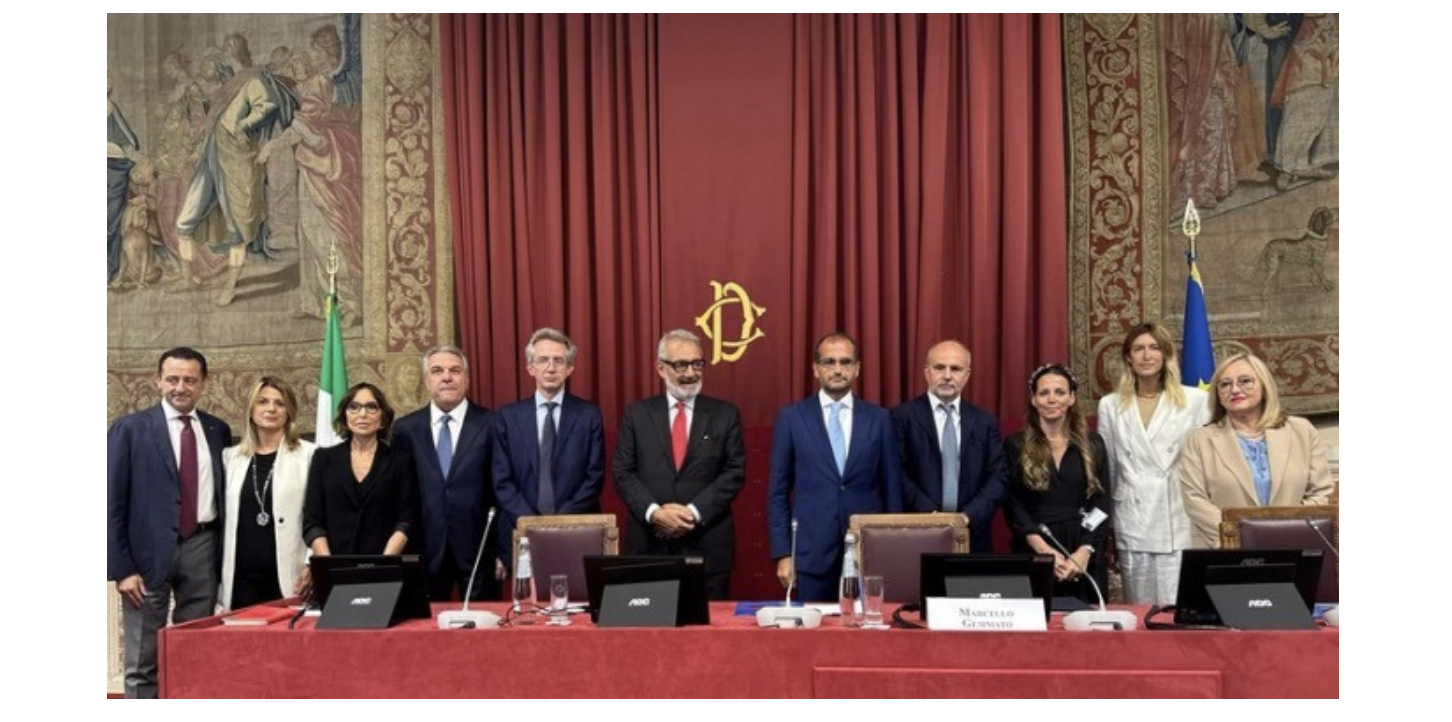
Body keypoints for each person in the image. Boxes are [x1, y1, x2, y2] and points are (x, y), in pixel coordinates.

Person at [108, 347, 231, 698]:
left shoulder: (217, 430)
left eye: (190, 380)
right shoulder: (130, 429)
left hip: (203, 548)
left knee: (193, 652)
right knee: (142, 659)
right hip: (146, 556)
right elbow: (110, 502)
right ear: (158, 380)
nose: (180, 387)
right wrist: (122, 570)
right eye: (173, 379)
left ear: (204, 382)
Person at [767, 332, 902, 601]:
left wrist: (893, 548)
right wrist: (783, 553)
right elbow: (777, 493)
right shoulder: (792, 418)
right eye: (829, 362)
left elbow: (892, 490)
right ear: (815, 369)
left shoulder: (879, 419)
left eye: (845, 362)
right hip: (811, 553)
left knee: (869, 626)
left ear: (857, 368)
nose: (838, 369)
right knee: (816, 628)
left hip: (868, 552)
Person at [614, 330, 747, 599]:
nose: (691, 373)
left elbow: (734, 472)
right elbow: (622, 472)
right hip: (648, 545)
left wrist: (692, 513)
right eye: (681, 365)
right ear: (660, 368)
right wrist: (655, 513)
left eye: (697, 364)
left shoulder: (725, 414)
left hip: (707, 545)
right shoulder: (637, 414)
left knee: (708, 626)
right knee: (648, 625)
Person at [1096, 323, 1211, 605]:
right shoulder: (1110, 405)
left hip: (1177, 515)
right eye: (1138, 349)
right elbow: (1109, 467)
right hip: (1133, 516)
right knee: (1140, 608)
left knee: (1179, 606)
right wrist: (1108, 521)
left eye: (1154, 348)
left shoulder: (1196, 400)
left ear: (1166, 354)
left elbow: (1204, 464)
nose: (1146, 356)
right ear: (1128, 358)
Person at [1177, 352, 1334, 548]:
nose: (1235, 389)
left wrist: (1286, 531)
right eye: (1225, 384)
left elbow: (1322, 493)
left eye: (1245, 381)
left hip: (1294, 546)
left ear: (1264, 386)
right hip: (1228, 550)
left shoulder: (1302, 431)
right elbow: (1195, 500)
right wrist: (1241, 537)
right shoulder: (1199, 440)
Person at [491, 328, 605, 575]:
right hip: (521, 530)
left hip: (577, 529)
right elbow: (502, 481)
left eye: (559, 361)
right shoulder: (508, 417)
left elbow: (594, 477)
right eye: (543, 360)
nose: (551, 368)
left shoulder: (588, 414)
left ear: (570, 368)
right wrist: (532, 524)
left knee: (576, 595)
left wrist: (558, 523)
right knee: (528, 598)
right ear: (530, 368)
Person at [394, 346, 499, 601]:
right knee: (425, 624)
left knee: (483, 623)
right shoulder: (405, 429)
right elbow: (401, 495)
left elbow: (501, 488)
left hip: (480, 549)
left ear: (467, 379)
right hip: (424, 548)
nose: (447, 377)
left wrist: (504, 549)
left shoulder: (493, 423)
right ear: (427, 380)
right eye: (437, 371)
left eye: (455, 370)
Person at [1004, 364, 1111, 605]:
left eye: (1060, 392)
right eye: (1044, 393)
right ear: (1033, 399)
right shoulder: (1015, 444)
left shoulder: (1093, 443)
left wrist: (1084, 550)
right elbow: (1013, 504)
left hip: (1083, 549)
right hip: (1033, 547)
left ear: (1071, 398)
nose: (1052, 399)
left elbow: (1102, 503)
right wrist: (1043, 550)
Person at [891, 340, 1008, 553]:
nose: (947, 375)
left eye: (955, 369)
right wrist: (931, 516)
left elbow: (998, 476)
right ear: (927, 372)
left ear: (967, 375)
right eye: (939, 367)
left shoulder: (985, 422)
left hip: (972, 536)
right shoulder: (902, 416)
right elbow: (895, 473)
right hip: (917, 534)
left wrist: (966, 517)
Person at [220, 377, 316, 610]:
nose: (271, 409)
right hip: (241, 577)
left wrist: (312, 563)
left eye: (280, 403)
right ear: (251, 409)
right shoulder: (230, 457)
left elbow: (322, 516)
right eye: (262, 402)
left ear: (289, 411)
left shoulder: (310, 455)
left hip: (290, 575)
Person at [303, 383, 419, 558]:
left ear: (383, 418)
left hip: (385, 563)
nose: (362, 414)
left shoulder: (400, 461)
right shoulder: (323, 459)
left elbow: (406, 520)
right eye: (354, 407)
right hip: (334, 563)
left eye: (371, 407)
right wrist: (329, 564)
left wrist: (383, 563)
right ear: (345, 416)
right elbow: (313, 521)